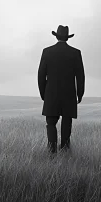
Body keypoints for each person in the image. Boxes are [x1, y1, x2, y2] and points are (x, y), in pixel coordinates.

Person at [38, 25, 85, 154]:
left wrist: (43, 94)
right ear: (67, 38)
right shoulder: (75, 53)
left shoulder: (47, 51)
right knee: (67, 122)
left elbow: (41, 75)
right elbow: (80, 76)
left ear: (57, 36)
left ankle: (52, 150)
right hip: (69, 94)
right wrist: (80, 94)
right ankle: (65, 149)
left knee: (51, 123)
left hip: (51, 93)